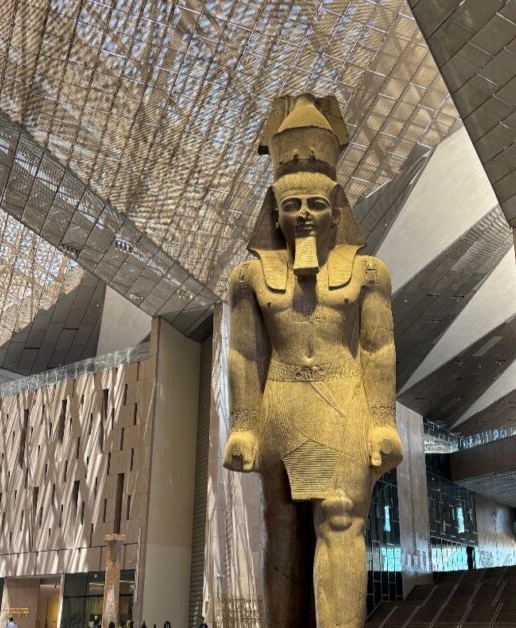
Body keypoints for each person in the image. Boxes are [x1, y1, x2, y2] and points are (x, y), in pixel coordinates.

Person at [221, 93, 402, 627]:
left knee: (342, 519)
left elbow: (378, 348)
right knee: (282, 529)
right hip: (280, 407)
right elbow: (244, 353)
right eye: (292, 205)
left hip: (343, 401)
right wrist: (243, 426)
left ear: (336, 209)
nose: (303, 215)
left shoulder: (369, 273)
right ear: (274, 213)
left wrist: (383, 421)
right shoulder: (249, 277)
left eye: (316, 204)